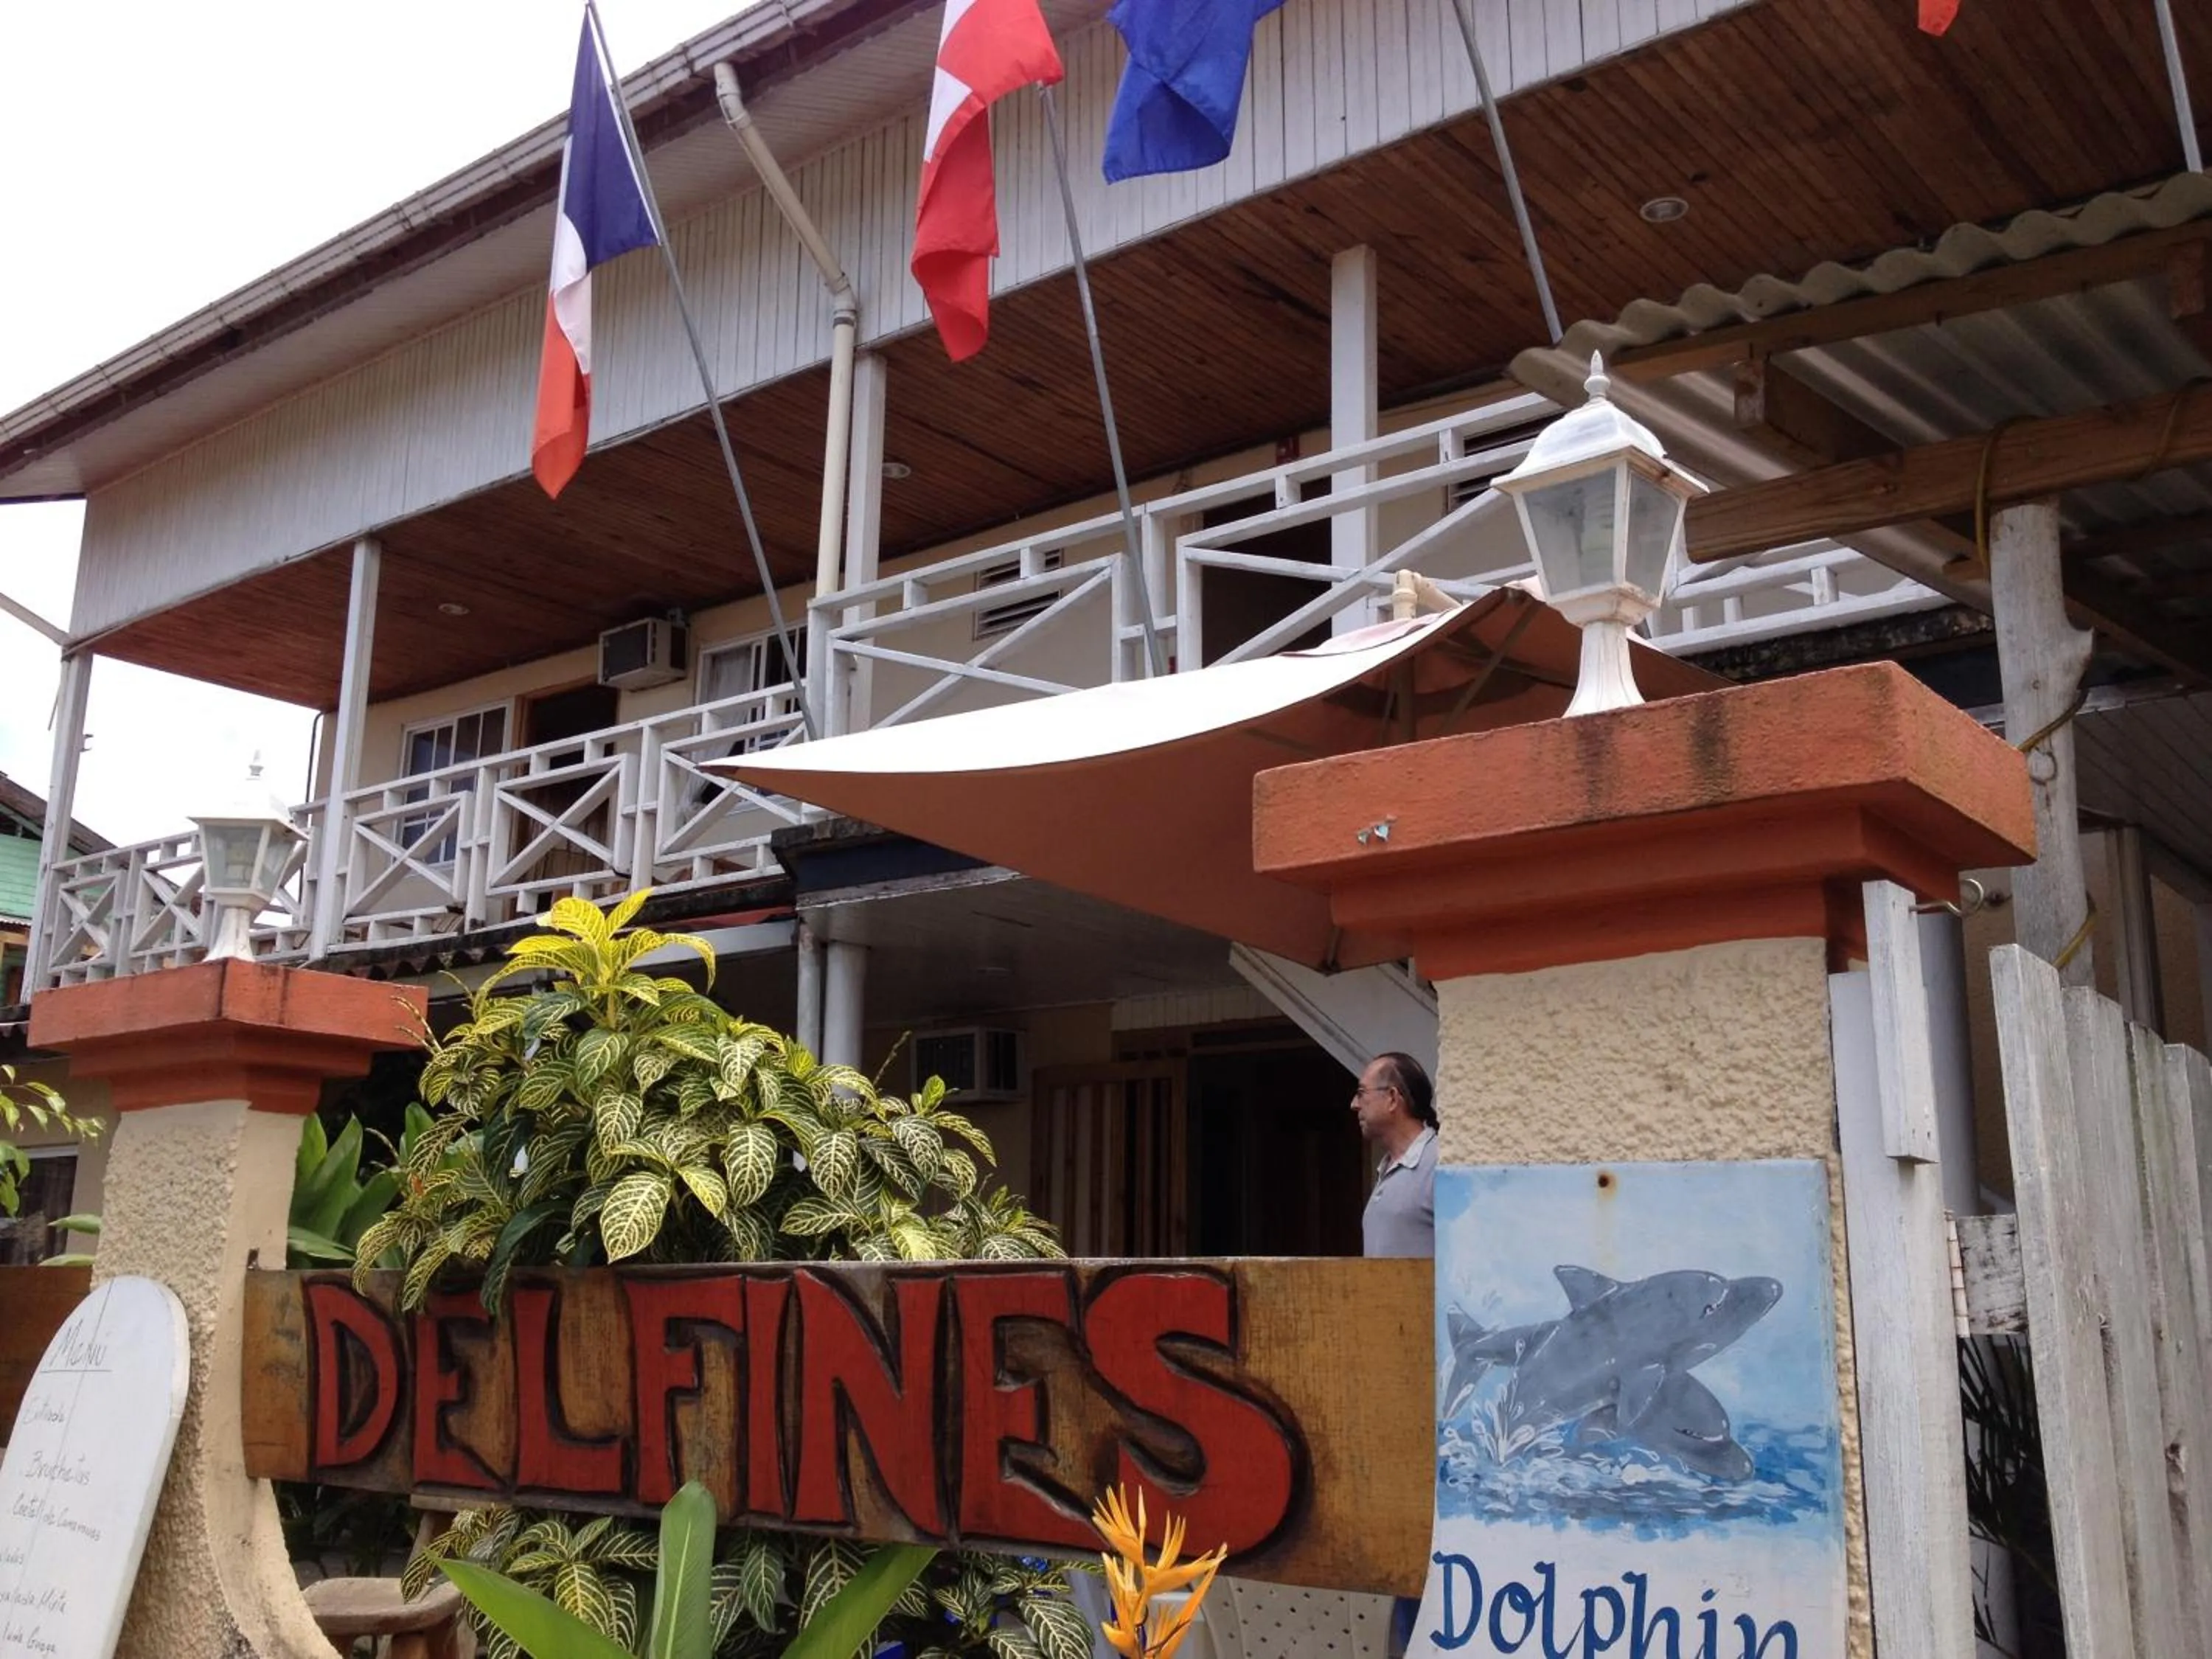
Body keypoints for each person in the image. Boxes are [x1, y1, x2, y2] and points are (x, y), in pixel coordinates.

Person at [1353, 1050, 1438, 1259]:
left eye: (1362, 1092)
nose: (1354, 1104)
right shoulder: (1388, 1168)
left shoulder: (1439, 1162)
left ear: (1392, 1098)